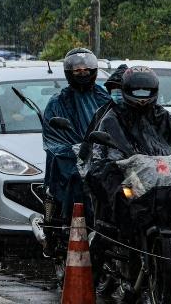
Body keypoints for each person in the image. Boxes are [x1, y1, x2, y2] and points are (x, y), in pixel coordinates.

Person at [83, 67, 171, 303]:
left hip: (163, 180)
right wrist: (112, 167)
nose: (142, 97)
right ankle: (87, 282)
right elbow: (100, 155)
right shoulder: (111, 118)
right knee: (106, 228)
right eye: (137, 91)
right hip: (130, 180)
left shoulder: (164, 117)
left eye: (146, 92)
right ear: (126, 91)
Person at [41, 47, 111, 252]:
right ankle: (65, 225)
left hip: (100, 156)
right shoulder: (58, 102)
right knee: (75, 179)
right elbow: (54, 138)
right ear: (68, 72)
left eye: (86, 68)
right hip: (71, 157)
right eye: (77, 69)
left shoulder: (104, 98)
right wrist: (75, 151)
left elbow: (114, 126)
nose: (82, 72)